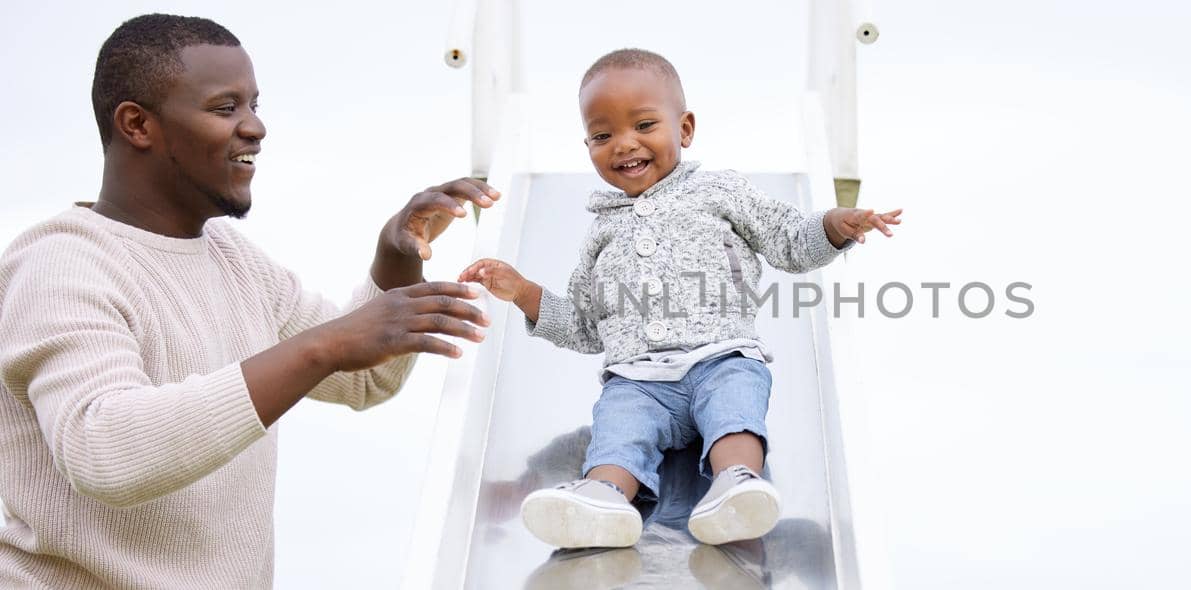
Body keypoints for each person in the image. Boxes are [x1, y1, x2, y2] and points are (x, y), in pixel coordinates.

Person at [0, 14, 497, 588]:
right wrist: (327, 345)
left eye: (254, 105)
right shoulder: (60, 265)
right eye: (225, 108)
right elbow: (107, 451)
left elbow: (363, 378)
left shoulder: (233, 260)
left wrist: (396, 257)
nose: (255, 127)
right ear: (138, 125)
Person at [459, 48, 901, 548]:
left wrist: (832, 227)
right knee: (618, 426)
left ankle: (736, 484)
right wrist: (525, 292)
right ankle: (604, 495)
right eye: (603, 136)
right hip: (639, 379)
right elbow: (585, 326)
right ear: (587, 144)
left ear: (684, 129)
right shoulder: (602, 231)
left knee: (736, 405)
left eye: (644, 125)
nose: (624, 145)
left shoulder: (720, 192)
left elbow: (788, 242)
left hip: (721, 356)